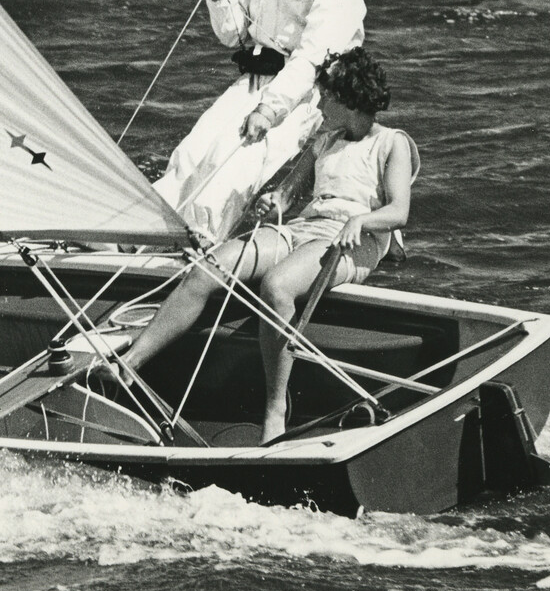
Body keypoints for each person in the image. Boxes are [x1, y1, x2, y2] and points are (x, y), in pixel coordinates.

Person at [120, 47, 416, 443]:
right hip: (305, 228)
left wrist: (361, 220)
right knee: (211, 265)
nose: (319, 101)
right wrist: (274, 201)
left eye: (325, 95)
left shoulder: (392, 143)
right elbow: (289, 193)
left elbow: (399, 212)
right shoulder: (324, 139)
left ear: (348, 99)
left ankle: (275, 412)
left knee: (277, 287)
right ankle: (130, 362)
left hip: (353, 240)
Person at [151, 0, 367, 245]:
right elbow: (233, 32)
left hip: (300, 98)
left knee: (234, 168)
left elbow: (313, 58)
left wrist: (269, 109)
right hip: (252, 80)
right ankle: (141, 234)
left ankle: (196, 250)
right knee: (193, 153)